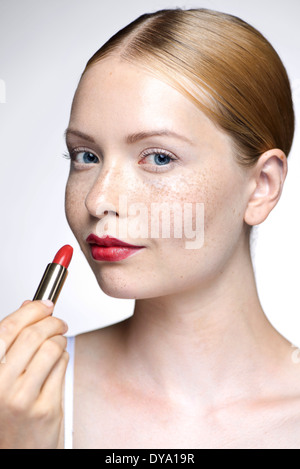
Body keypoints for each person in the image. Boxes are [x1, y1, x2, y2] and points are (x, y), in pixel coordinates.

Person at [0, 7, 298, 449]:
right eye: (86, 155)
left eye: (159, 157)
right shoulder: (21, 407)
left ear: (261, 186)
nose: (98, 199)